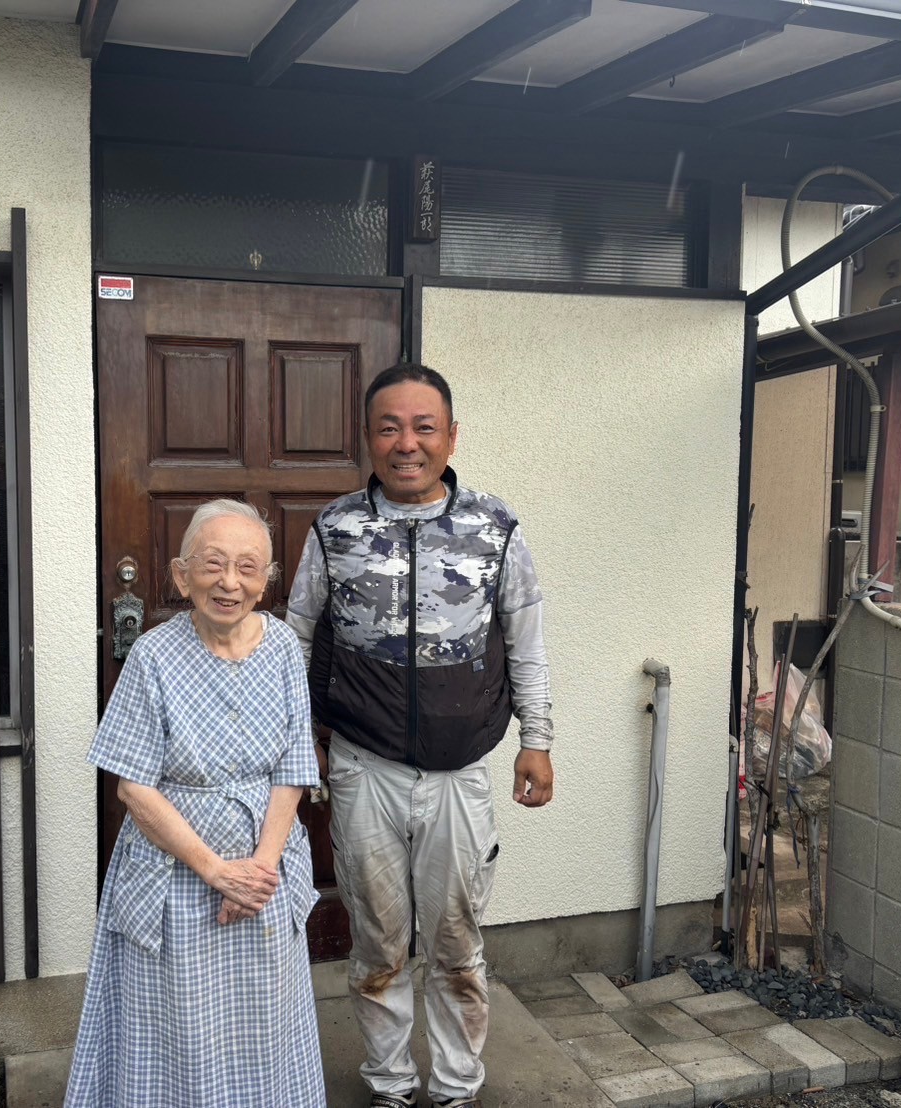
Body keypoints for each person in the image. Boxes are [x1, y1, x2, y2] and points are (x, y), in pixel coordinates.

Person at [286, 363, 554, 1108]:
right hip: (362, 766)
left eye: (423, 426)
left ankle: (456, 1089)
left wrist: (538, 738)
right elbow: (296, 634)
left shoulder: (494, 528)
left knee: (456, 946)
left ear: (450, 436)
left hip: (458, 773)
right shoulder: (334, 528)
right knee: (377, 944)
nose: (406, 443)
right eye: (388, 427)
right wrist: (292, 737)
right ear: (368, 438)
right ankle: (390, 1085)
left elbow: (526, 639)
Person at [65, 499, 325, 1108]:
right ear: (183, 576)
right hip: (176, 876)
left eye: (246, 567)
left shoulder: (285, 646)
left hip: (263, 876)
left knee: (263, 1017)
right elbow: (133, 787)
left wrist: (257, 872)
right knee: (175, 1023)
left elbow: (292, 771)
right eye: (212, 564)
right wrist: (216, 872)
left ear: (267, 580)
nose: (228, 582)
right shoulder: (153, 654)